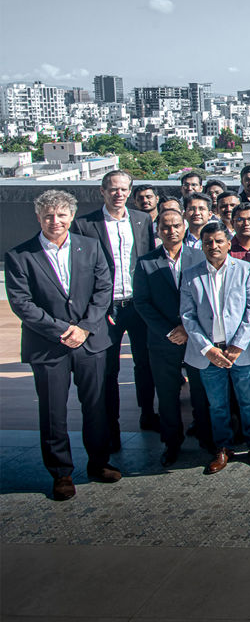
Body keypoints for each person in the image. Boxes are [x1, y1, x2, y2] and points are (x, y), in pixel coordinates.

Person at [5, 190, 119, 500]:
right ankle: (61, 473)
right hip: (48, 346)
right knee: (53, 412)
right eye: (48, 216)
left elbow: (103, 289)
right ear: (38, 217)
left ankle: (99, 463)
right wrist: (63, 329)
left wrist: (83, 328)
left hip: (89, 342)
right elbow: (22, 303)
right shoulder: (19, 256)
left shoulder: (91, 247)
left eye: (61, 215)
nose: (55, 221)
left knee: (96, 407)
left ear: (71, 215)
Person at [71, 170, 157, 446]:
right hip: (105, 308)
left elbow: (149, 260)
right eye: (113, 189)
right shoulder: (85, 225)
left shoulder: (142, 221)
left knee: (144, 364)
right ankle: (111, 426)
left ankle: (148, 413)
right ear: (102, 191)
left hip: (138, 304)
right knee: (108, 369)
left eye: (123, 189)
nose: (118, 194)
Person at [179, 221, 250, 475]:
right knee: (217, 405)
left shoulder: (247, 270)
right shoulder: (190, 274)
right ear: (202, 245)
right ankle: (223, 447)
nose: (214, 246)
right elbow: (187, 316)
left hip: (240, 351)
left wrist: (238, 345)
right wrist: (207, 349)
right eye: (208, 242)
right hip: (210, 353)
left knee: (249, 402)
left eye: (219, 241)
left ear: (228, 243)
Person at [133, 208, 210, 465]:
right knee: (167, 394)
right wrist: (169, 331)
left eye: (176, 225)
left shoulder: (200, 256)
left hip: (196, 337)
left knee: (201, 390)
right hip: (163, 340)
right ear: (158, 230)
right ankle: (172, 442)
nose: (171, 230)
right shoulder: (145, 262)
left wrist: (189, 328)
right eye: (165, 226)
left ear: (184, 226)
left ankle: (206, 437)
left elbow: (209, 298)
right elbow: (142, 303)